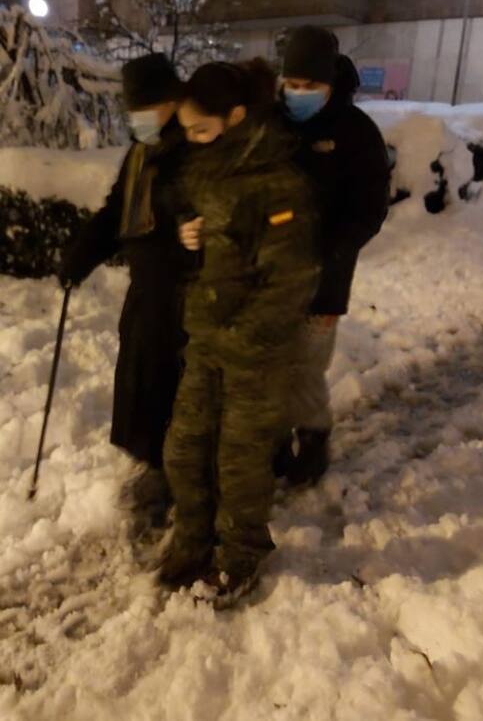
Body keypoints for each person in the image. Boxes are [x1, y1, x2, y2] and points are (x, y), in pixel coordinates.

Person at [159, 60, 321, 607]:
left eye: (200, 128)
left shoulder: (277, 180)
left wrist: (247, 338)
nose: (192, 139)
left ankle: (241, 556)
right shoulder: (209, 170)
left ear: (235, 116)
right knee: (183, 449)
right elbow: (216, 253)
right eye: (187, 130)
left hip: (257, 350)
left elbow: (290, 279)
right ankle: (193, 540)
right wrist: (189, 240)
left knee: (240, 461)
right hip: (208, 338)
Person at [58, 53, 189, 523]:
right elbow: (116, 211)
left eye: (146, 108)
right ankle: (152, 463)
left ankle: (174, 474)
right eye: (132, 109)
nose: (137, 118)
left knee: (175, 386)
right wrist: (81, 256)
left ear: (172, 101)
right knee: (140, 381)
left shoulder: (195, 149)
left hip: (187, 295)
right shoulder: (141, 152)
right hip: (148, 291)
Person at [273, 26, 390, 487]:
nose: (299, 94)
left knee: (305, 366)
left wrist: (332, 250)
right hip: (272, 277)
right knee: (274, 360)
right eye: (292, 84)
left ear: (330, 83)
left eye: (310, 86)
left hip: (325, 278)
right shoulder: (273, 122)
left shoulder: (357, 133)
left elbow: (370, 208)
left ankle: (315, 438)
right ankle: (277, 440)